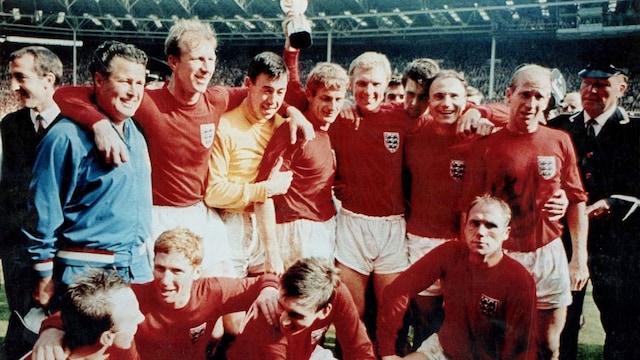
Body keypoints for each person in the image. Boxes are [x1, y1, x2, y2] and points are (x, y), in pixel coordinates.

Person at [52, 18, 312, 278]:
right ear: (173, 62)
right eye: (197, 59)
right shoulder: (147, 101)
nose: (206, 68)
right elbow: (63, 94)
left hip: (200, 212)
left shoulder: (216, 99)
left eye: (210, 60)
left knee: (220, 294)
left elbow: (260, 93)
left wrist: (293, 113)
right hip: (157, 215)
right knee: (165, 300)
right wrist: (99, 124)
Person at [461, 64, 589, 359]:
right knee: (496, 343)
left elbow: (577, 199)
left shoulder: (559, 141)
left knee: (547, 344)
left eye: (539, 97)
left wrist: (578, 258)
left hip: (548, 254)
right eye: (525, 94)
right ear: (509, 95)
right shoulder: (486, 146)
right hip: (502, 255)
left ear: (547, 101)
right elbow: (469, 209)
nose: (531, 104)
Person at [22, 41, 153, 312]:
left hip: (136, 268)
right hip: (88, 274)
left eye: (140, 83)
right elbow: (42, 210)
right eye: (125, 81)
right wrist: (44, 273)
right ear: (98, 80)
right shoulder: (65, 137)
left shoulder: (135, 133)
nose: (134, 92)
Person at [32, 227, 280, 360]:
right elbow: (83, 310)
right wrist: (52, 330)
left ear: (196, 272)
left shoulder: (213, 291)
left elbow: (267, 280)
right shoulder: (133, 296)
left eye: (177, 270)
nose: (165, 280)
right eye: (160, 268)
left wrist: (268, 290)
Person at [548, 63, 640, 360]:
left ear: (621, 89)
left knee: (622, 324)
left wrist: (614, 203)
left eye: (601, 85)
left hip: (615, 243)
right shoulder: (561, 126)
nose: (591, 90)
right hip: (566, 238)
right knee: (562, 320)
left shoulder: (635, 130)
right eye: (587, 83)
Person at [377, 195, 537, 360]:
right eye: (475, 223)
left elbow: (521, 352)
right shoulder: (450, 253)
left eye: (491, 226)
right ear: (465, 226)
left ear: (506, 233)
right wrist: (388, 352)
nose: (481, 232)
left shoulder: (519, 281)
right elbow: (397, 290)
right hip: (442, 351)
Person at [254, 61, 350, 273]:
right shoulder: (293, 131)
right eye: (325, 98)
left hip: (324, 225)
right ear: (310, 95)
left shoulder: (327, 131)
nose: (332, 106)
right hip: (296, 229)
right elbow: (264, 192)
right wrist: (272, 252)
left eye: (338, 99)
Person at [205, 50, 293, 278]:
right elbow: (213, 193)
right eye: (266, 91)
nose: (273, 101)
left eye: (280, 92)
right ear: (248, 84)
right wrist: (264, 190)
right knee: (231, 308)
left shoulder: (283, 126)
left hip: (270, 225)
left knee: (268, 303)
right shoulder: (226, 126)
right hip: (231, 223)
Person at [0, 46, 64, 360]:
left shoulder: (75, 127)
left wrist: (48, 268)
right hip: (17, 256)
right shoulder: (10, 126)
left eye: (20, 77)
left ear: (47, 79)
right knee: (24, 331)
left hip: (60, 255)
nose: (12, 86)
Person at [227, 258, 376, 360]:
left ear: (324, 310)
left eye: (296, 315)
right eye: (281, 305)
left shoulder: (335, 293)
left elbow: (359, 349)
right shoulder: (267, 318)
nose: (284, 321)